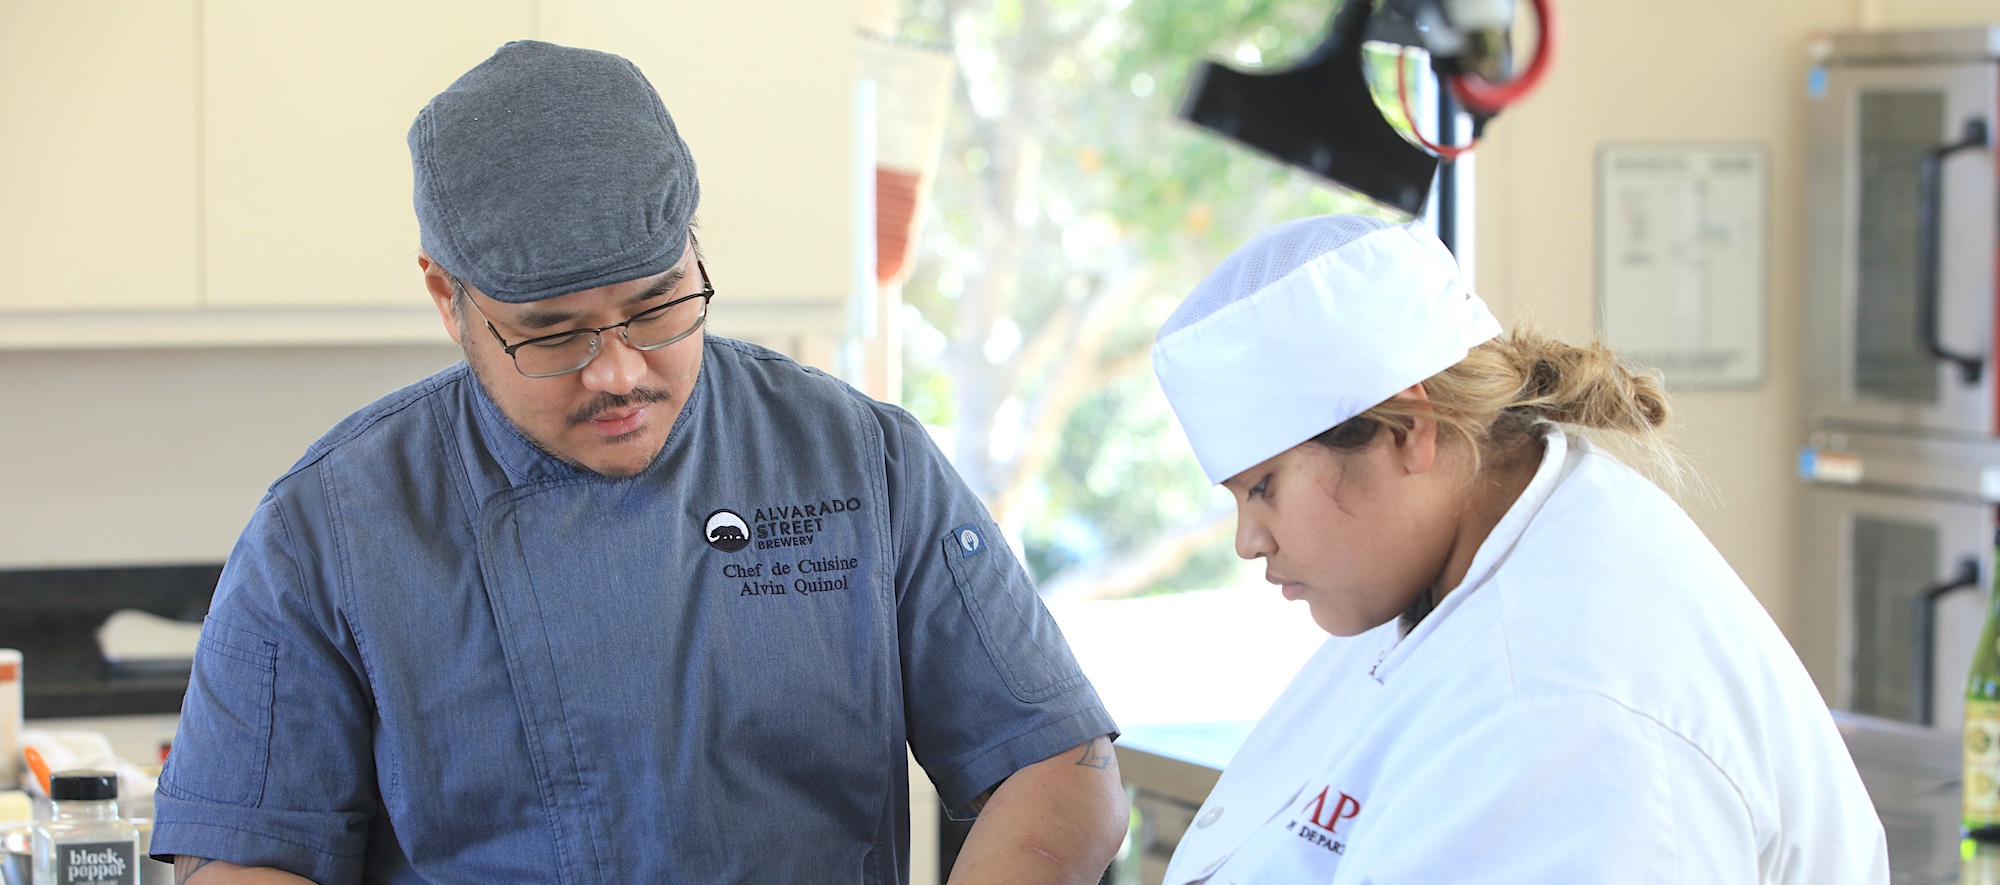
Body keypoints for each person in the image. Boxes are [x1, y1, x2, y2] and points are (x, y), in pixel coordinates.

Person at [149, 41, 1126, 885]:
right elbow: (243, 851)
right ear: (448, 300)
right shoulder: (328, 530)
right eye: (553, 332)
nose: (618, 371)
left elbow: (1057, 769)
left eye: (658, 305)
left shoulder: (857, 462)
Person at [1149, 214, 1888, 883]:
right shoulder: (1448, 563)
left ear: (1410, 430)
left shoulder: (1559, 704)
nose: (1250, 540)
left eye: (1264, 488)